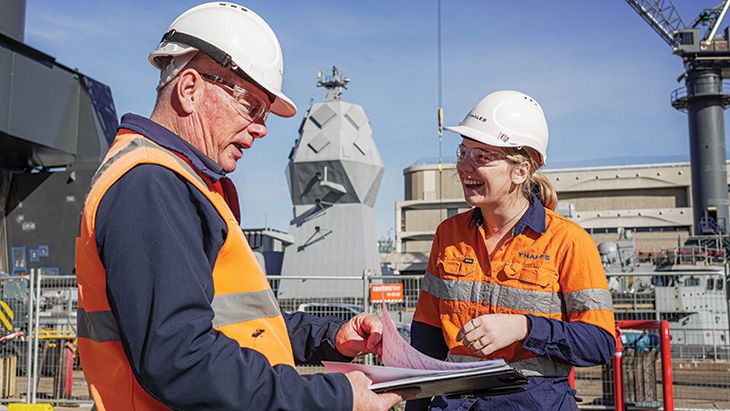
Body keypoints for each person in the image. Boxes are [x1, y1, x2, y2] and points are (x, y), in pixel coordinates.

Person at [75, 3, 408, 410]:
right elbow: (182, 358)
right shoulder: (151, 185)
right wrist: (334, 398)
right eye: (251, 106)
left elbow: (233, 326)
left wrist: (329, 337)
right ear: (190, 89)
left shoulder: (184, 184)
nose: (262, 129)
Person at [406, 90, 616, 410]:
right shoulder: (447, 234)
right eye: (463, 152)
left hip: (532, 403)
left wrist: (525, 328)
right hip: (455, 403)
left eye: (482, 156)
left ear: (520, 170)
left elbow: (600, 342)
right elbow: (427, 335)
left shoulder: (568, 240)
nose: (465, 166)